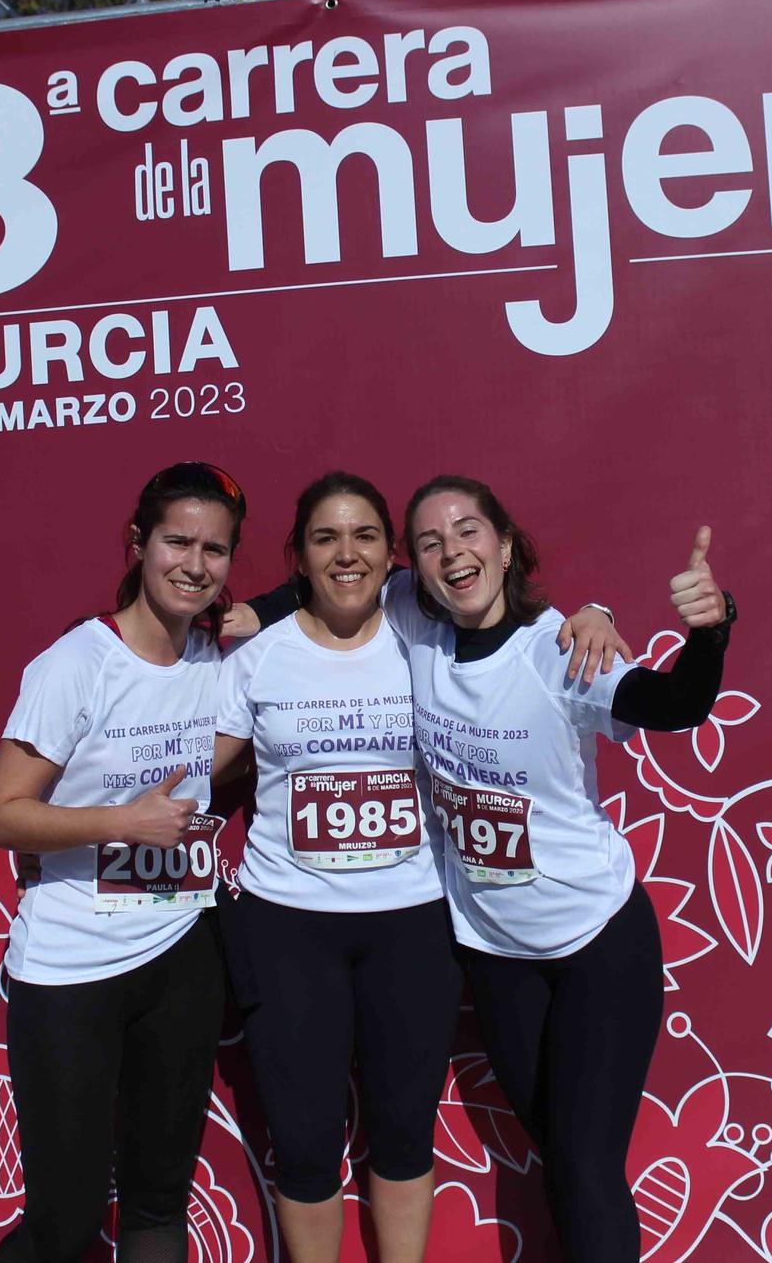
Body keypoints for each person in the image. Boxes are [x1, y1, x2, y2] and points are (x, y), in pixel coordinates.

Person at [397, 474, 732, 1263]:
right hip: (497, 955)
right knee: (565, 1160)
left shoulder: (561, 649)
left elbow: (674, 703)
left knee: (584, 1167)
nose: (453, 553)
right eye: (430, 542)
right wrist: (247, 615)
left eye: (469, 531)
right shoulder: (411, 625)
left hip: (598, 945)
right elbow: (335, 578)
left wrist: (710, 632)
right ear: (413, 568)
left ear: (507, 545)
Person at [0, 462, 246, 1263]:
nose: (195, 564)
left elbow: (352, 600)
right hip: (71, 972)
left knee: (160, 1203)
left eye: (216, 549)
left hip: (179, 958)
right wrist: (123, 820)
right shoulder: (76, 663)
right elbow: (1, 814)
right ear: (138, 543)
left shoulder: (218, 660)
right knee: (65, 1220)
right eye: (177, 542)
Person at [210, 472, 458, 1263]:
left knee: (404, 1131)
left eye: (364, 536)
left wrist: (599, 613)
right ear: (299, 558)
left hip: (412, 922)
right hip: (288, 927)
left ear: (392, 553)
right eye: (325, 538)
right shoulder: (258, 656)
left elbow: (515, 619)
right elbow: (197, 771)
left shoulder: (426, 631)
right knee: (307, 1139)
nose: (346, 553)